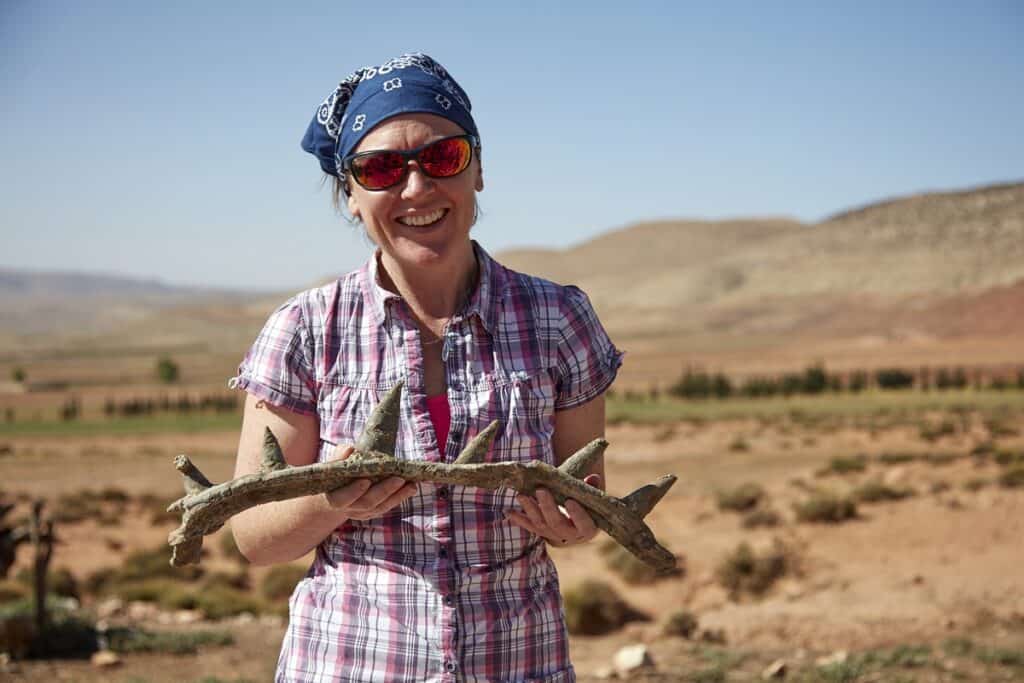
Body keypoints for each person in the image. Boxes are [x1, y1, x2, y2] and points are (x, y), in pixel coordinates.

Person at [229, 53, 622, 682]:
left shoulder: (560, 317)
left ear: (479, 170)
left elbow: (585, 504)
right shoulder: (303, 329)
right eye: (381, 168)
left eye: (442, 159)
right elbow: (254, 538)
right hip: (350, 664)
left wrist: (574, 526)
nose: (416, 189)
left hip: (517, 664)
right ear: (351, 198)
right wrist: (331, 501)